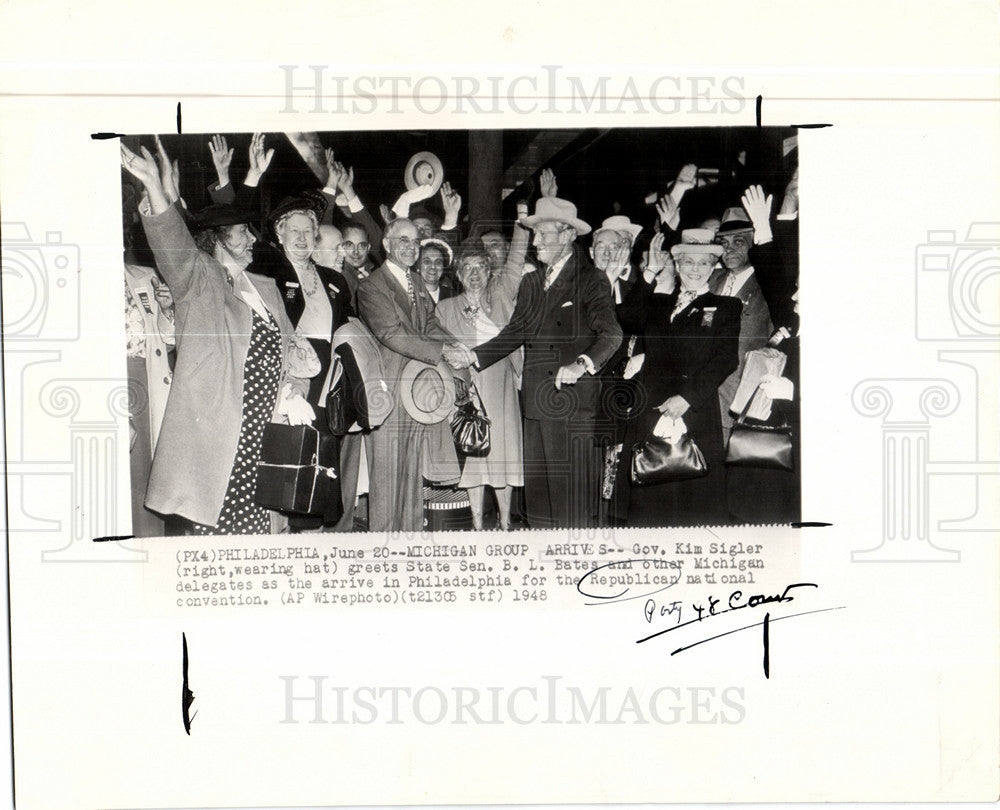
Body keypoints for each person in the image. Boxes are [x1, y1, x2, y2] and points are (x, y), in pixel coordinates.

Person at [121, 139, 318, 535]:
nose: (251, 240)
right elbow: (172, 244)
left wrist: (294, 388)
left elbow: (293, 353)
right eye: (242, 232)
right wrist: (155, 189)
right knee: (218, 537)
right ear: (217, 237)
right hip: (218, 439)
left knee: (262, 535)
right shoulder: (199, 280)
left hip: (267, 433)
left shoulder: (266, 288)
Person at [453, 178, 622, 530]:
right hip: (534, 403)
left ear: (567, 236)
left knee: (570, 502)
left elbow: (612, 334)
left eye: (545, 235)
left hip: (571, 404)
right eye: (535, 234)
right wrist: (473, 356)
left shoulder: (591, 280)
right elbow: (515, 332)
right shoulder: (531, 283)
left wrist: (581, 364)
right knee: (540, 501)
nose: (537, 241)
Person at [614, 229, 741, 527]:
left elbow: (725, 358)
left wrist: (687, 398)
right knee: (651, 497)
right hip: (652, 409)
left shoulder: (726, 307)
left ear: (713, 266)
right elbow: (626, 317)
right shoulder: (658, 303)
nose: (695, 270)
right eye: (688, 263)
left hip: (693, 410)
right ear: (678, 265)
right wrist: (649, 271)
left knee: (693, 499)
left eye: (703, 263)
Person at [250, 193, 355, 530]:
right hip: (290, 380)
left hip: (326, 383)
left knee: (320, 465)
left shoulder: (335, 281)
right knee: (289, 463)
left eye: (307, 232)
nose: (300, 238)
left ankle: (314, 535)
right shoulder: (266, 273)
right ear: (279, 235)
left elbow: (348, 333)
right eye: (292, 231)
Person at [356, 217, 466, 532]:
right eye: (403, 240)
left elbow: (430, 323)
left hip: (418, 391)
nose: (411, 247)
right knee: (388, 472)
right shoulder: (371, 285)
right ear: (387, 244)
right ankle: (384, 546)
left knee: (411, 470)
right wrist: (442, 352)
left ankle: (410, 539)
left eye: (415, 241)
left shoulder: (415, 281)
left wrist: (454, 343)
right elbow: (392, 334)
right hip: (390, 390)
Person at [436, 237, 527, 530]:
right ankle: (476, 524)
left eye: (480, 268)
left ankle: (505, 521)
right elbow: (436, 347)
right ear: (459, 275)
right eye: (467, 268)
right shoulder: (445, 308)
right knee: (474, 457)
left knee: (503, 454)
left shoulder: (500, 297)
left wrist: (523, 221)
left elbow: (514, 263)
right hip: (466, 392)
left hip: (500, 387)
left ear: (489, 273)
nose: (474, 274)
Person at [710, 189, 774, 434]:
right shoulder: (712, 279)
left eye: (738, 242)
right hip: (702, 401)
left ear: (753, 243)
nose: (729, 249)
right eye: (724, 243)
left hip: (740, 403)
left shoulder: (766, 288)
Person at [418, 238, 457, 306]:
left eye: (438, 262)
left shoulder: (454, 297)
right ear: (418, 266)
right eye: (427, 262)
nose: (433, 267)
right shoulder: (410, 295)